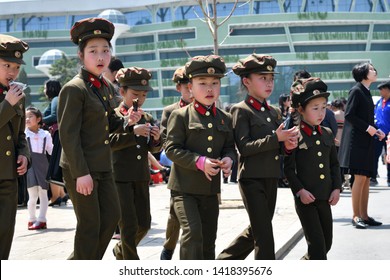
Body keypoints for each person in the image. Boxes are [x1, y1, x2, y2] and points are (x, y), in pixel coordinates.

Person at [57, 17, 140, 259]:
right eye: (93, 51)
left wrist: (128, 122)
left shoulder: (104, 87)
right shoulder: (75, 88)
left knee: (112, 217)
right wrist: (81, 173)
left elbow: (110, 123)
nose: (101, 56)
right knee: (90, 226)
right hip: (81, 167)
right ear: (81, 55)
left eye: (105, 50)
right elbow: (68, 136)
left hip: (103, 165)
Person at [216, 54, 298, 260]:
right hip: (251, 179)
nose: (269, 83)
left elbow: (278, 148)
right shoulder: (240, 110)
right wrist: (275, 137)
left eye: (271, 78)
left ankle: (223, 262)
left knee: (257, 229)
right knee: (264, 235)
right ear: (246, 81)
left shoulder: (275, 112)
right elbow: (244, 148)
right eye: (262, 78)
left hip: (271, 177)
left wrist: (286, 145)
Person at [165, 55, 237, 260]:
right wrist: (200, 161)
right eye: (202, 83)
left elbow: (229, 148)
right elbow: (171, 149)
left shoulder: (225, 117)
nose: (209, 89)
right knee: (192, 234)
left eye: (215, 83)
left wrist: (229, 160)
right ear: (190, 87)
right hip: (183, 190)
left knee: (207, 240)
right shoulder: (180, 116)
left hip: (210, 190)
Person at [284, 77, 341, 259]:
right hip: (306, 199)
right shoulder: (294, 135)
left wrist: (337, 188)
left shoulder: (327, 133)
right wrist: (299, 190)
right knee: (317, 246)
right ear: (301, 110)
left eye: (324, 107)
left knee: (327, 243)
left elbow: (334, 164)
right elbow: (288, 168)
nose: (321, 113)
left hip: (325, 197)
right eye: (315, 108)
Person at [109, 66, 161, 260]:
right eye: (135, 94)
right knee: (128, 226)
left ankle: (121, 250)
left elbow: (153, 149)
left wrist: (156, 139)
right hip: (120, 177)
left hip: (140, 176)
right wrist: (132, 132)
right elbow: (107, 143)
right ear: (122, 92)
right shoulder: (114, 116)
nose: (139, 99)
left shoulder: (147, 117)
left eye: (144, 95)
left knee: (144, 224)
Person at [338, 62, 385, 230]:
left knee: (365, 179)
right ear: (363, 74)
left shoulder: (365, 92)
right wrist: (368, 128)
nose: (374, 71)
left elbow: (365, 119)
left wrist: (375, 130)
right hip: (356, 142)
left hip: (366, 141)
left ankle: (364, 215)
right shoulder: (356, 91)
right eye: (371, 69)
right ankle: (356, 215)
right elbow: (349, 115)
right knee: (358, 178)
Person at [0, 34, 30, 260]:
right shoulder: (12, 98)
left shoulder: (18, 95)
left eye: (16, 67)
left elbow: (20, 134)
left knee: (5, 234)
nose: (12, 71)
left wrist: (24, 155)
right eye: (6, 65)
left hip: (8, 176)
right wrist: (7, 105)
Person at [159, 66, 193, 260]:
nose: (190, 90)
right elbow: (165, 141)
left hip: (204, 170)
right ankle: (169, 248)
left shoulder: (207, 108)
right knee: (175, 214)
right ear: (178, 87)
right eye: (185, 86)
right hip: (179, 169)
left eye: (192, 85)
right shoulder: (170, 111)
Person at [25, 107, 53, 230]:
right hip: (30, 166)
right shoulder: (24, 134)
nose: (27, 119)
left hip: (43, 166)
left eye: (30, 116)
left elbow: (50, 150)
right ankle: (31, 219)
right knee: (32, 195)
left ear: (38, 119)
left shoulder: (45, 134)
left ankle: (42, 219)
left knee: (43, 193)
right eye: (26, 117)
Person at [42, 79, 68, 206]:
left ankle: (55, 196)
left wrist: (39, 119)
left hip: (57, 135)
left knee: (53, 164)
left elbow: (54, 116)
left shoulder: (55, 100)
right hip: (58, 134)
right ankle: (62, 194)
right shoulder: (58, 99)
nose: (44, 90)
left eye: (45, 88)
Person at [372, 81, 390, 187]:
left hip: (389, 134)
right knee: (374, 155)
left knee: (389, 157)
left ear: (387, 89)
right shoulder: (379, 101)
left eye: (381, 89)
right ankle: (373, 177)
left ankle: (389, 178)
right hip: (378, 133)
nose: (380, 91)